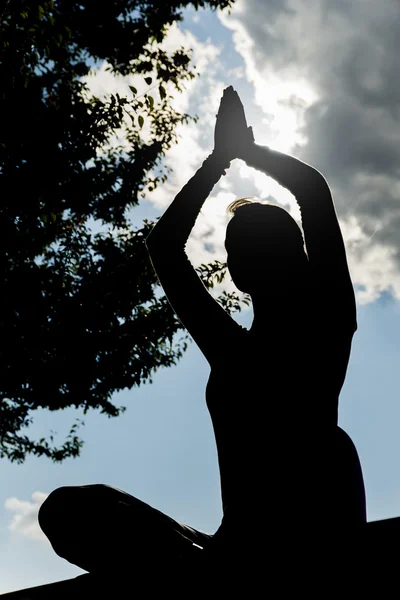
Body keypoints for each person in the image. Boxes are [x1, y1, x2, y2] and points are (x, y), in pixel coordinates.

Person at [38, 86, 366, 588]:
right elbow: (164, 247)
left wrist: (239, 154)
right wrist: (221, 157)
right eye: (234, 249)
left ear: (293, 253)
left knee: (332, 449)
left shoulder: (328, 322)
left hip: (301, 545)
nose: (237, 258)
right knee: (70, 508)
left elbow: (312, 192)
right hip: (232, 547)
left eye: (250, 244)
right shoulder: (233, 348)